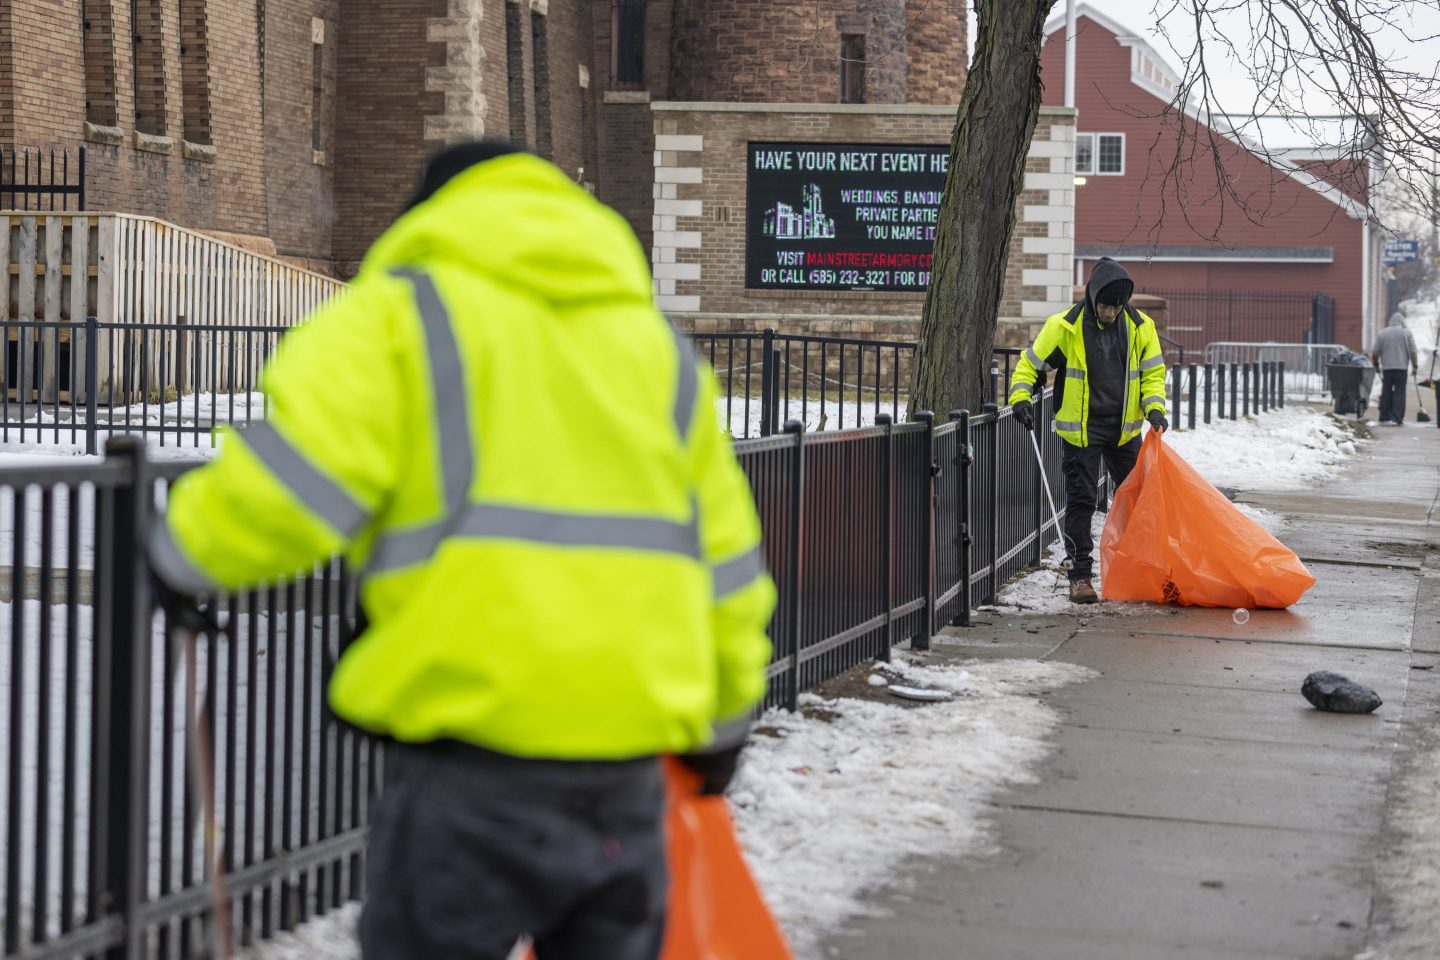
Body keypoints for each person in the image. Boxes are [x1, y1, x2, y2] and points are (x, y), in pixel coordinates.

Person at [147, 140, 776, 959]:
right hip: (626, 773)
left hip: (470, 768)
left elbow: (289, 485)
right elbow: (728, 565)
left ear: (430, 215)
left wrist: (180, 553)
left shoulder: (402, 316)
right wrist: (723, 726)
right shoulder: (660, 354)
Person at [1007, 257, 1168, 604]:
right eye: (1105, 306)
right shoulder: (1065, 326)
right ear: (1093, 297)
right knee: (1082, 500)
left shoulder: (1141, 327)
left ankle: (1142, 567)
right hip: (1082, 432)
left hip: (1124, 430)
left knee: (1140, 498)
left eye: (1117, 307)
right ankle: (1080, 575)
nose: (1110, 312)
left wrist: (1155, 408)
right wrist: (1020, 396)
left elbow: (1153, 376)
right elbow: (1029, 365)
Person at [1372, 311, 1418, 425]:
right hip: (1401, 369)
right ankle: (1397, 417)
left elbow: (1375, 351)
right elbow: (1413, 351)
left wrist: (1376, 365)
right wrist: (1415, 366)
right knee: (1399, 392)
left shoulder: (1382, 333)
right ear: (1402, 321)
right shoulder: (1407, 333)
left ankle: (1384, 416)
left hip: (1387, 369)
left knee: (1386, 391)